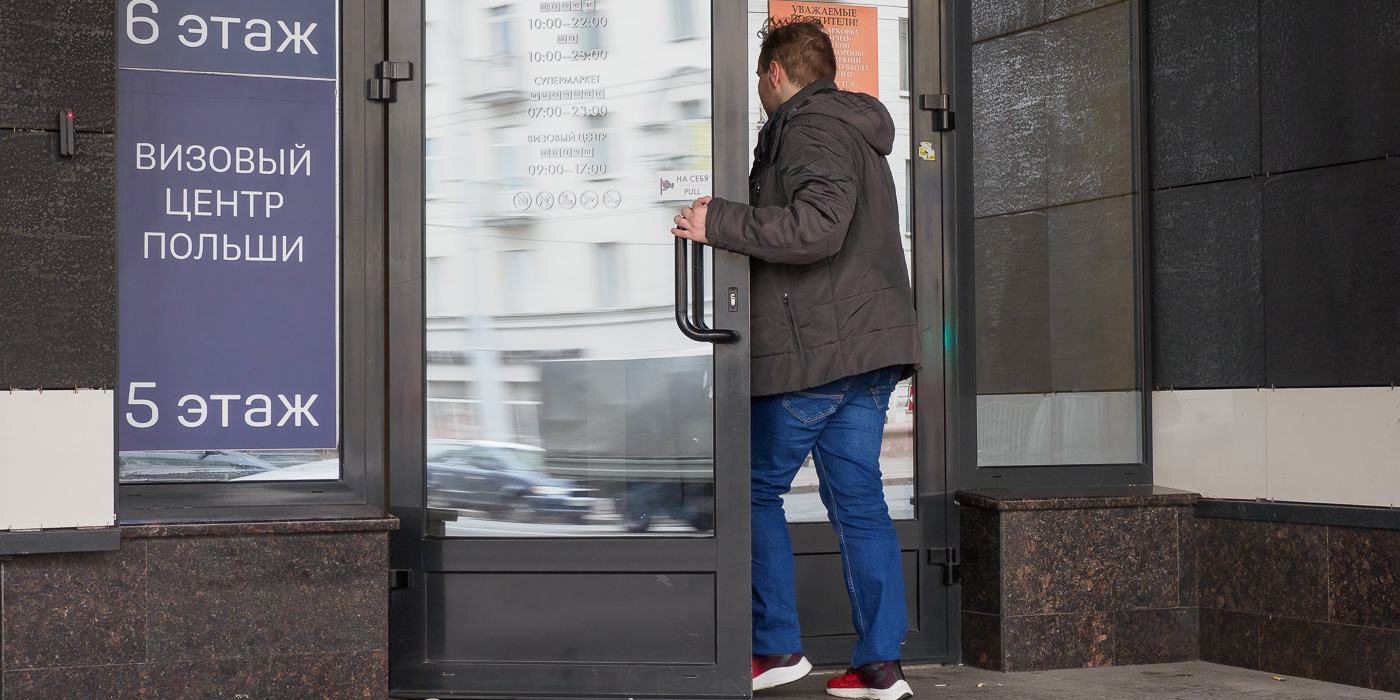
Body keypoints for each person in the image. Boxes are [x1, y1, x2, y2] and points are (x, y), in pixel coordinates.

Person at [670, 17, 921, 700]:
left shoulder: (808, 126)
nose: (757, 90)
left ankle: (776, 644)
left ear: (774, 74)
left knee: (749, 490)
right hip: (864, 352)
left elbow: (818, 226)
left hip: (817, 353)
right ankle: (879, 665)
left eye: (757, 78)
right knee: (860, 503)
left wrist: (715, 220)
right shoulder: (854, 129)